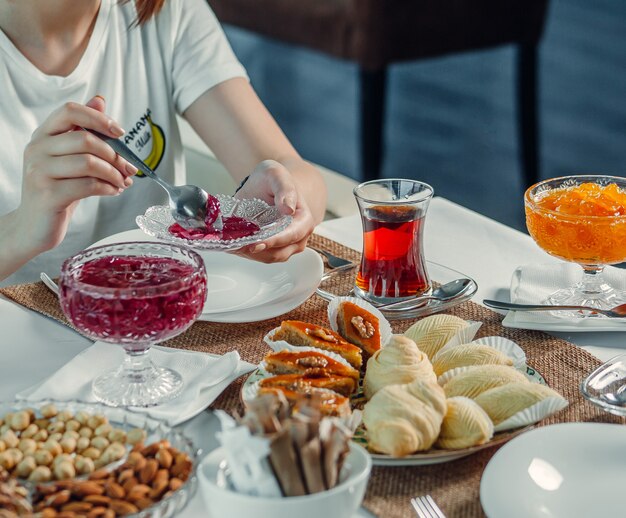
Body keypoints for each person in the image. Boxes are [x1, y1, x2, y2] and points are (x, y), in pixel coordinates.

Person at [0, 0, 327, 286]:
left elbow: (292, 170)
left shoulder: (164, 11)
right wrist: (21, 231)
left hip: (165, 326)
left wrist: (281, 207)